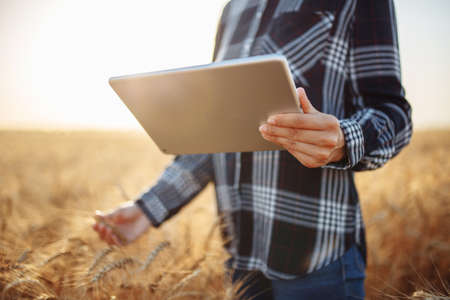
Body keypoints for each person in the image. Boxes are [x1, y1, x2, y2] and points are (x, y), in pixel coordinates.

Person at [93, 0, 412, 299]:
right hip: (240, 260)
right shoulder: (235, 8)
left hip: (319, 261)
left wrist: (345, 138)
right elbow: (215, 133)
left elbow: (393, 114)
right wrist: (147, 209)